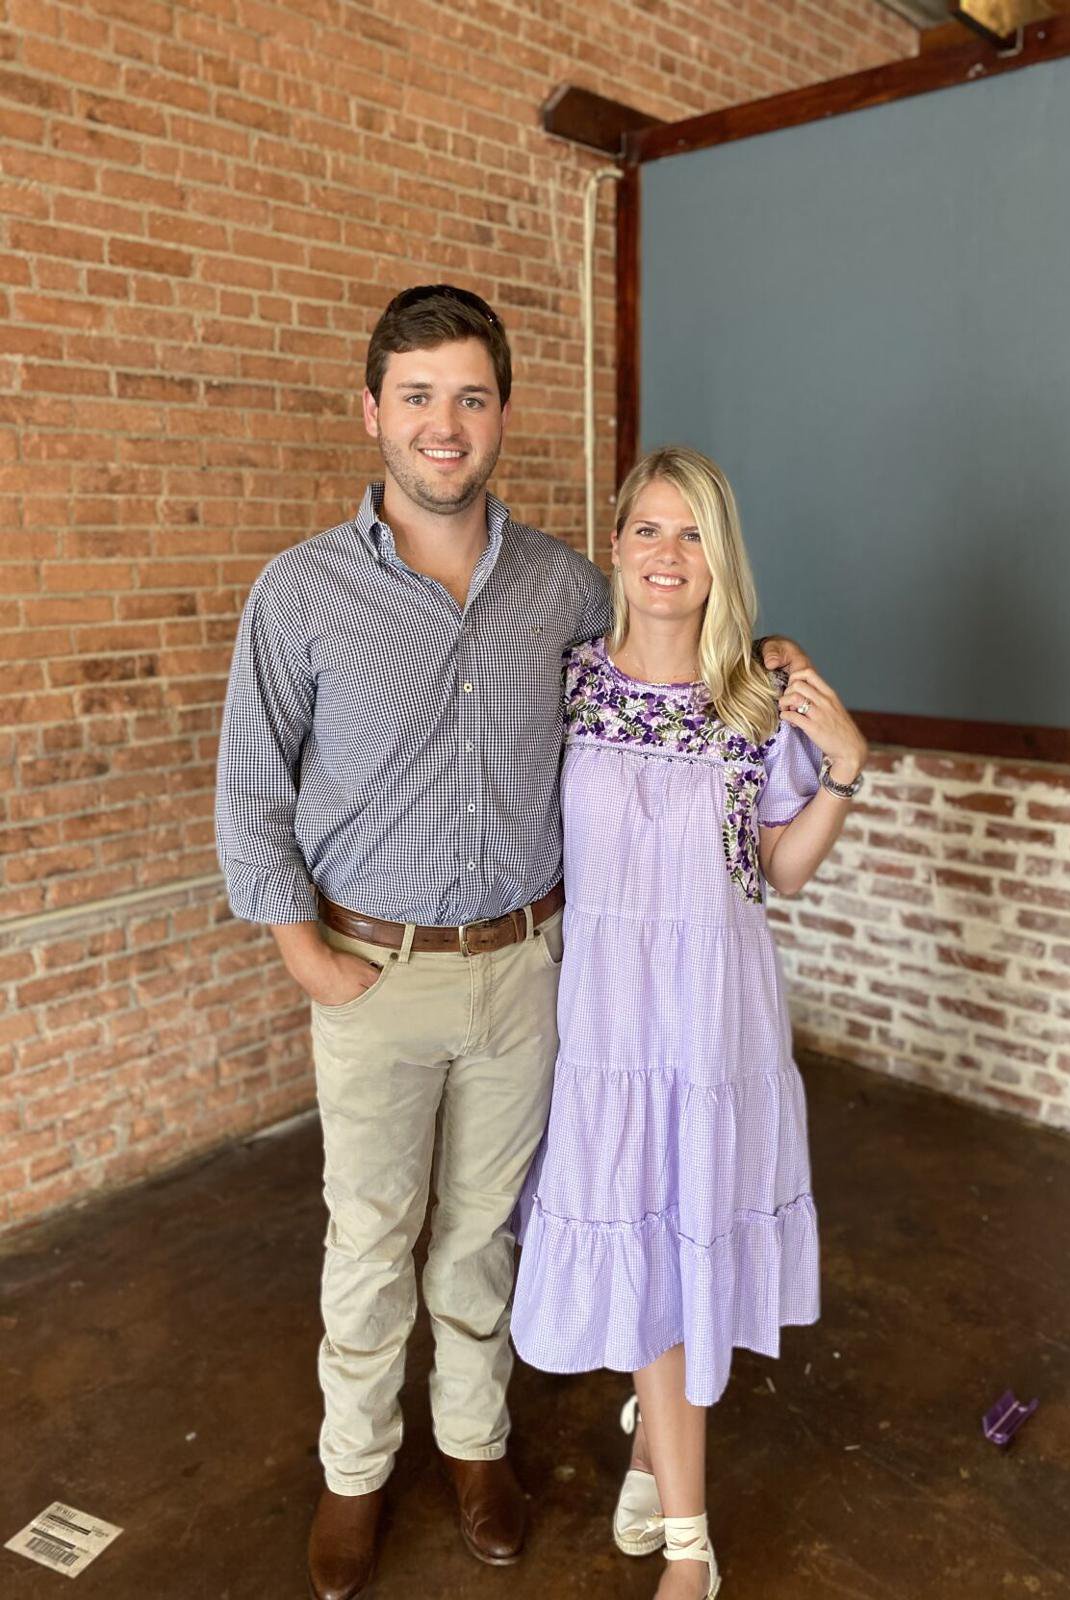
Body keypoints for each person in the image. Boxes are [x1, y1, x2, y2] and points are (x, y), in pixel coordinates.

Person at [215, 288, 810, 1600]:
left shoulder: (563, 589)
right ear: (372, 412)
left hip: (533, 968)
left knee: (485, 1232)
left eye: (471, 397)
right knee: (371, 1235)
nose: (445, 423)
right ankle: (356, 1470)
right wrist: (306, 955)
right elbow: (252, 788)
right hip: (373, 970)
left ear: (501, 418)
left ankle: (475, 1446)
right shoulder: (300, 592)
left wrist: (764, 666)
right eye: (418, 396)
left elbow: (666, 661)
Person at [511, 445, 869, 1599]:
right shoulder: (566, 683)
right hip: (606, 1023)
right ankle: (657, 1462)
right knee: (640, 1239)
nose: (669, 554)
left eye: (694, 533)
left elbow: (778, 871)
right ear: (614, 544)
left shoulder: (756, 704)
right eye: (650, 529)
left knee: (679, 1245)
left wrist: (844, 772)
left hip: (714, 1020)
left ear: (722, 558)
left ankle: (687, 1547)